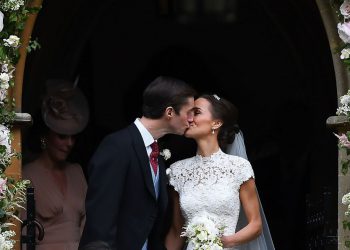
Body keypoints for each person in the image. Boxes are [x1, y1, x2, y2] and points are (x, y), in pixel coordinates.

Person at [79, 76, 197, 250]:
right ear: (170, 112)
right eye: (189, 112)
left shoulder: (157, 152)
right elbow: (101, 218)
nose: (191, 119)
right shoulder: (117, 146)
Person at [165, 94, 274, 250]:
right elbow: (176, 232)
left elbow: (255, 224)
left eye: (196, 112)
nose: (189, 118)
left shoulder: (239, 167)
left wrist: (221, 242)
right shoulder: (177, 171)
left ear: (216, 123)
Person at [22, 79, 90, 250]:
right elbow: (21, 236)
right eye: (62, 136)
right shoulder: (27, 175)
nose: (69, 143)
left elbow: (86, 227)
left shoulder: (77, 172)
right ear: (45, 136)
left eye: (73, 137)